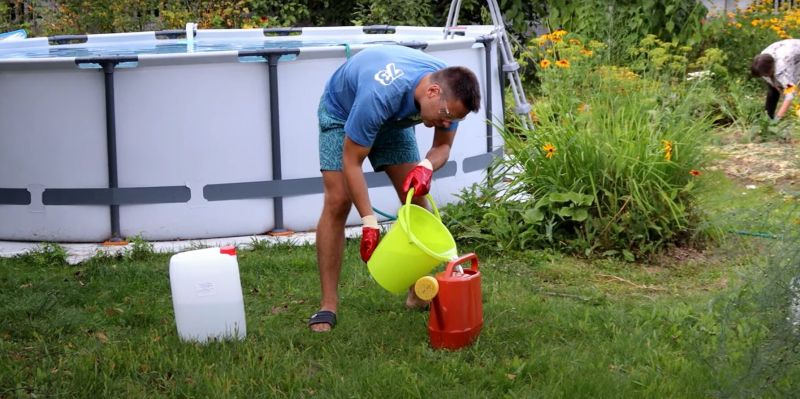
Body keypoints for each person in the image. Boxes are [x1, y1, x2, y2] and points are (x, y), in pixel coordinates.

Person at [307, 44, 482, 332]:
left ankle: (417, 293)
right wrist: (369, 223)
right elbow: (352, 161)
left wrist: (426, 166)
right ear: (432, 92)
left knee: (416, 203)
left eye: (455, 120)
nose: (447, 123)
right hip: (343, 114)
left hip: (395, 122)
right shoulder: (380, 94)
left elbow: (442, 146)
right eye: (445, 115)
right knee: (338, 201)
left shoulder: (450, 92)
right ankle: (328, 305)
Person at [751, 39, 800, 119]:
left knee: (790, 93)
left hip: (794, 56)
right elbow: (774, 84)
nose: (764, 77)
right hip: (789, 53)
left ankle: (772, 120)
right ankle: (767, 118)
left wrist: (778, 118)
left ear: (771, 69)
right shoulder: (762, 59)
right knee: (772, 90)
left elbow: (790, 95)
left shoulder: (781, 68)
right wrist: (778, 88)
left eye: (765, 75)